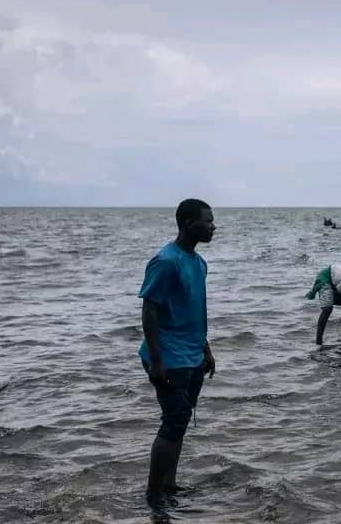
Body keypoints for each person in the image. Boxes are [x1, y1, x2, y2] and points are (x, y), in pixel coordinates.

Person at [137, 198, 217, 507]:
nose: (213, 227)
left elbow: (195, 311)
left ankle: (169, 487)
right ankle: (153, 495)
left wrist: (206, 349)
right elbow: (149, 311)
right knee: (173, 421)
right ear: (188, 224)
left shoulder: (198, 263)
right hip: (167, 358)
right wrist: (157, 361)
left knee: (180, 421)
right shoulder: (166, 261)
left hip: (192, 356)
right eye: (207, 221)